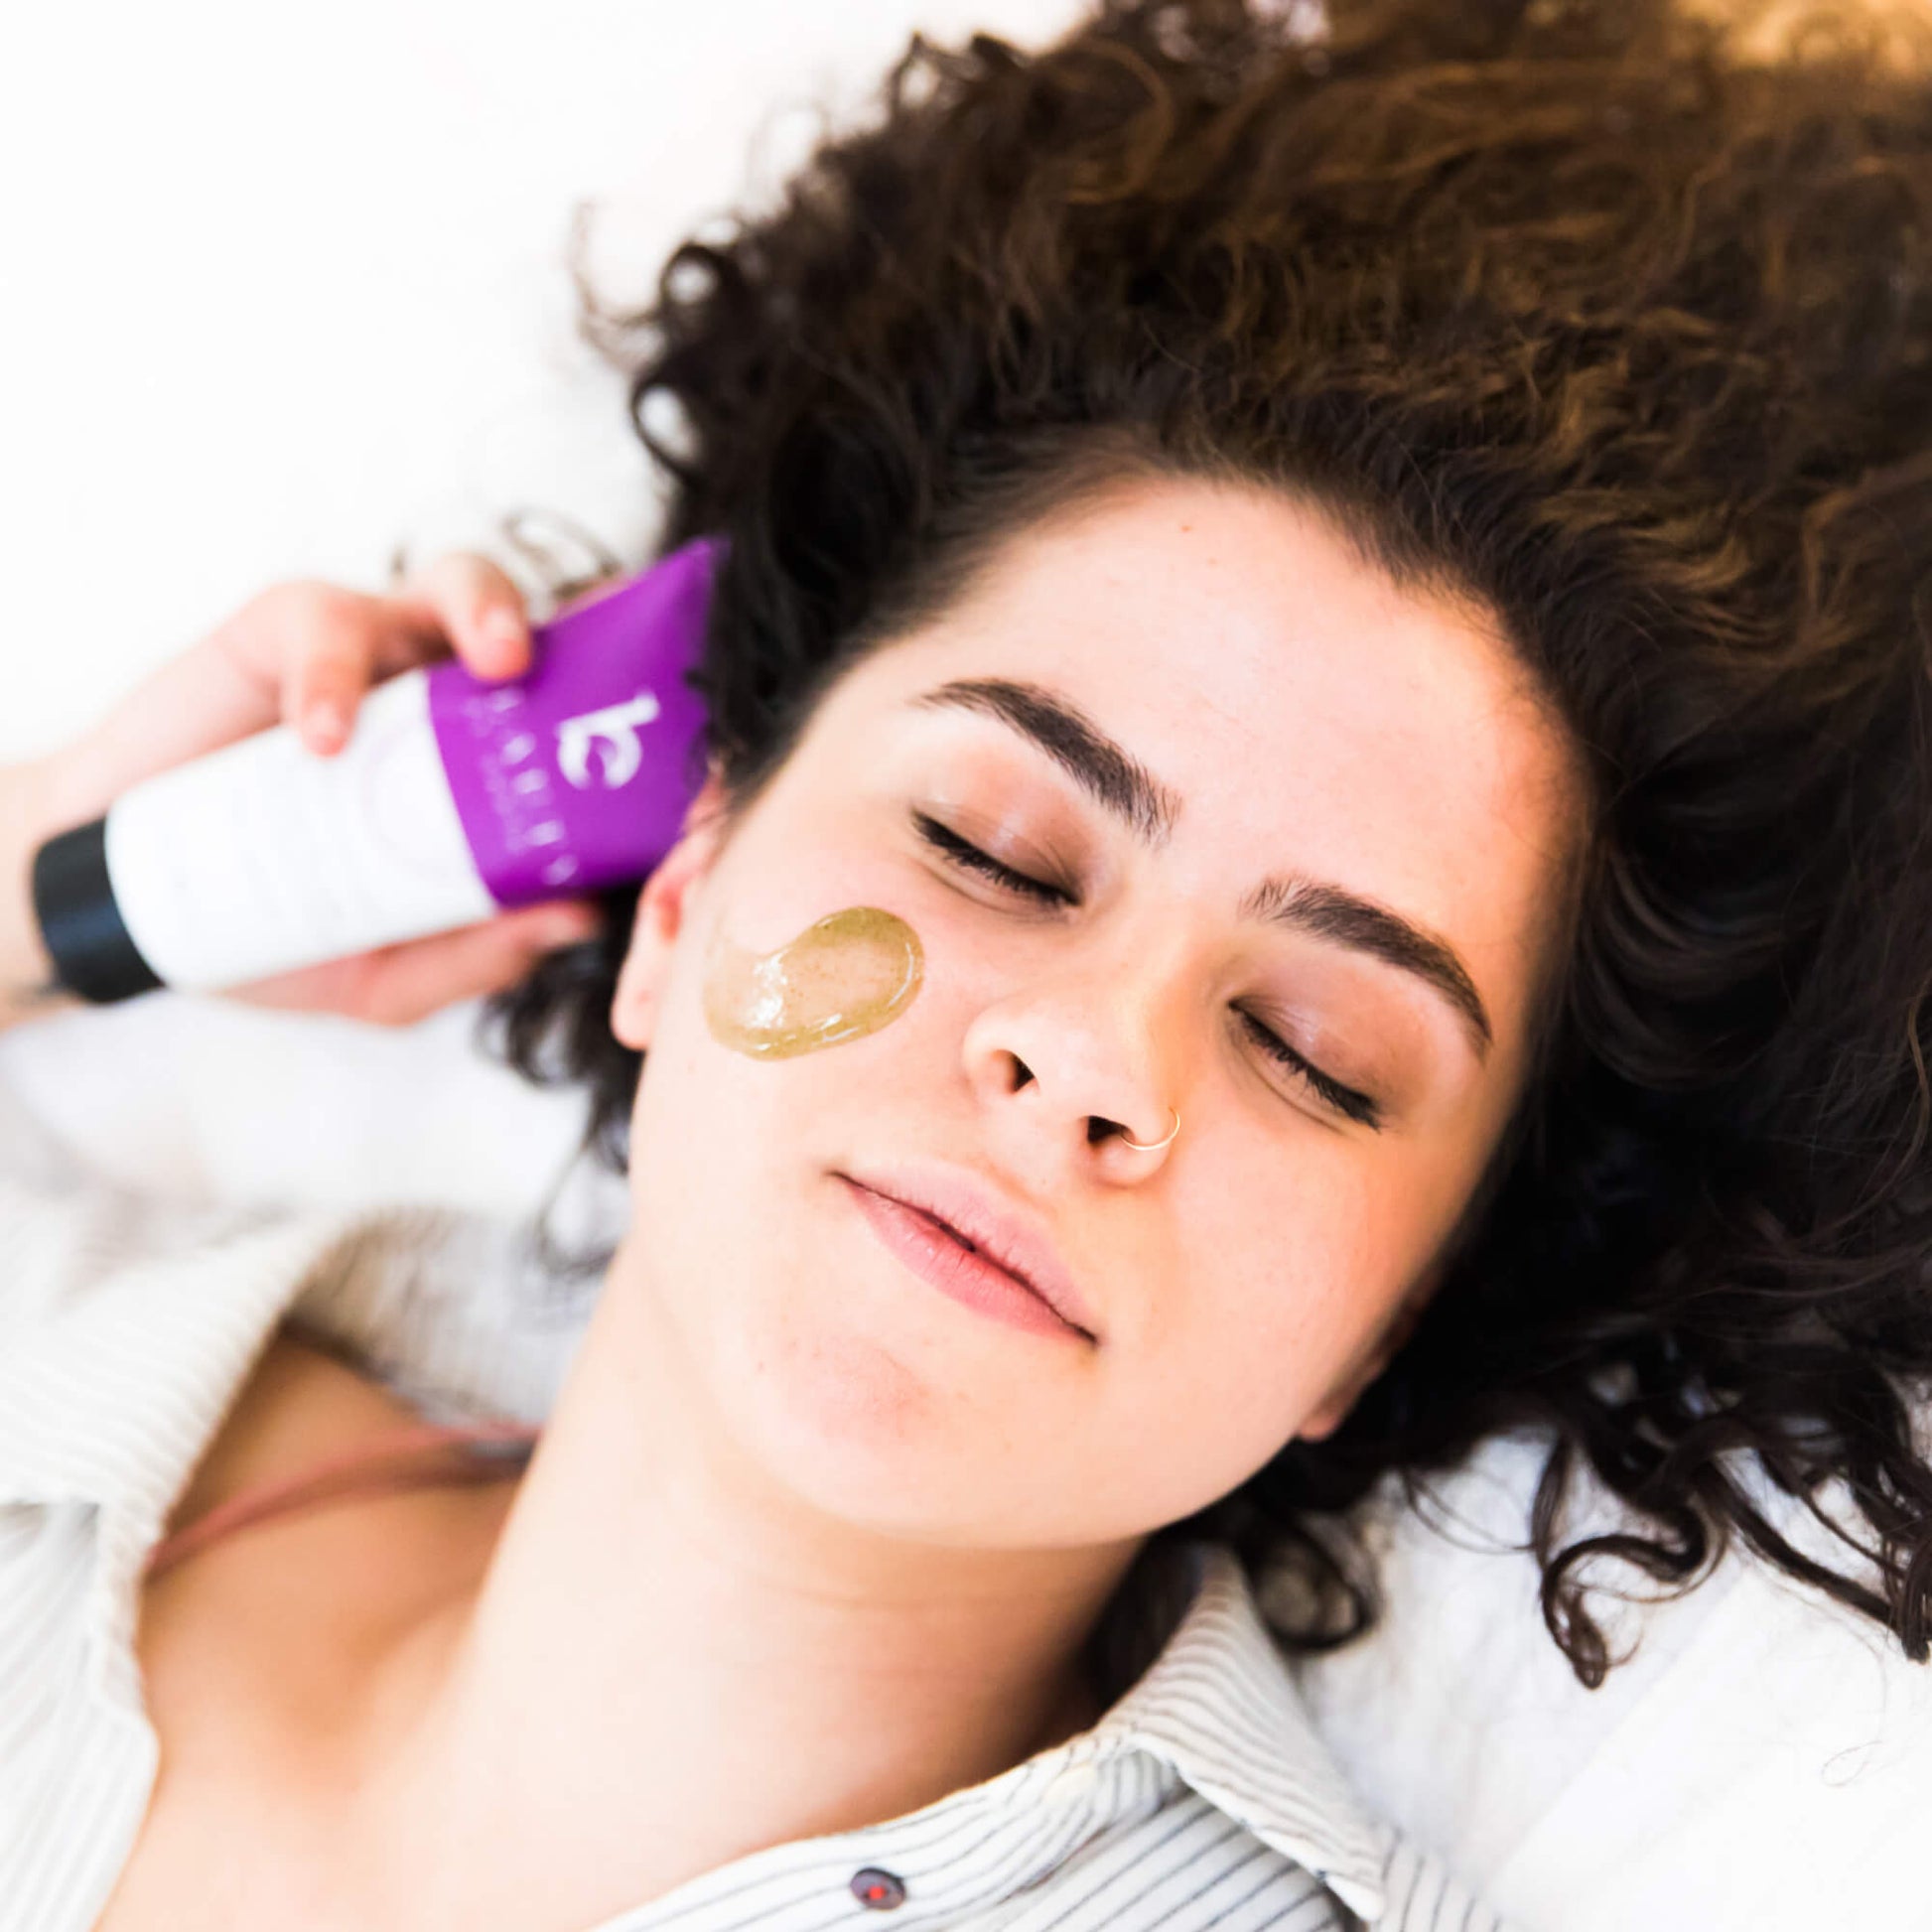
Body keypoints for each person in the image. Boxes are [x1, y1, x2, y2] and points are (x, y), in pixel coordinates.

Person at [3, 0, 1930, 1925]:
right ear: (686, 887)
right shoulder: (105, 1387)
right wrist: (64, 878)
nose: (1088, 1054)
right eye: (990, 847)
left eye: (1313, 1048)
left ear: (1393, 1311)